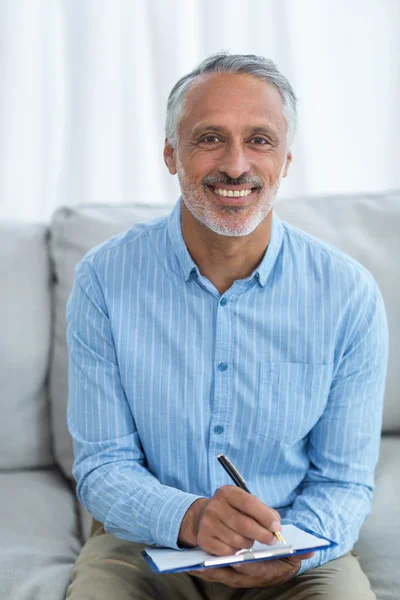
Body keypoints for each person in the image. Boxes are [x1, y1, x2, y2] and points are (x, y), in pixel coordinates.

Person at [65, 52, 388, 599]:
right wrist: (190, 519)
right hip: (143, 546)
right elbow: (103, 466)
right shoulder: (103, 280)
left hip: (293, 544)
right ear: (171, 153)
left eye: (259, 140)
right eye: (210, 137)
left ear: (285, 159)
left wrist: (291, 549)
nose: (236, 165)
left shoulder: (349, 295)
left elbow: (343, 483)